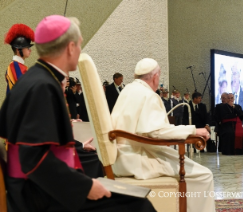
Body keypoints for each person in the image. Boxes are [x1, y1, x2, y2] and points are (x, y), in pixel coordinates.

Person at [0, 15, 155, 212]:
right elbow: (32, 158)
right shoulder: (43, 86)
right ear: (70, 48)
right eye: (79, 45)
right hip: (38, 198)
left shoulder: (37, 78)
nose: (80, 51)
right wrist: (85, 187)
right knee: (139, 206)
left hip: (40, 188)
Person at [111, 58, 215, 212]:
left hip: (119, 157)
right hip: (137, 158)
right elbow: (156, 132)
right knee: (204, 175)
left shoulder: (127, 91)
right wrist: (194, 131)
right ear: (155, 77)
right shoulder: (148, 95)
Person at [4, 23, 34, 95]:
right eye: (27, 47)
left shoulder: (17, 65)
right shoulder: (15, 66)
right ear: (18, 50)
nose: (30, 50)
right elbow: (24, 88)